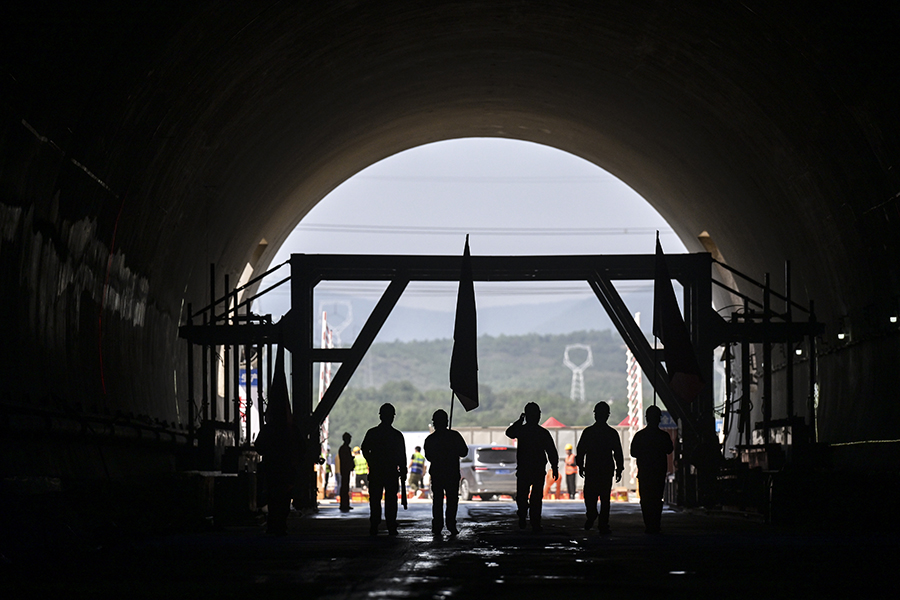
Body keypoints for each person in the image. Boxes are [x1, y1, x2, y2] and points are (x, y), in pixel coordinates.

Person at [505, 402, 558, 531]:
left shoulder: (522, 431)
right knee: (536, 497)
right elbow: (551, 451)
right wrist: (554, 467)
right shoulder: (542, 433)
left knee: (522, 495)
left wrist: (519, 420)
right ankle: (535, 522)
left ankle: (523, 515)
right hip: (538, 469)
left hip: (524, 469)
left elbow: (510, 432)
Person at [576, 401, 624, 534]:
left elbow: (581, 451)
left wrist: (580, 465)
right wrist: (619, 469)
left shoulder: (588, 432)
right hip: (606, 470)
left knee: (590, 496)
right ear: (607, 415)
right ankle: (603, 524)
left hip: (592, 469)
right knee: (604, 499)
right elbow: (618, 453)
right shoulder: (611, 433)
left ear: (595, 415)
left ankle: (592, 515)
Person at [361, 403, 407, 535]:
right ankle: (391, 524)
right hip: (391, 472)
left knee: (375, 499)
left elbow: (365, 449)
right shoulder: (397, 435)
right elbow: (401, 455)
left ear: (380, 416)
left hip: (376, 471)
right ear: (392, 417)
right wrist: (403, 470)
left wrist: (371, 461)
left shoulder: (372, 433)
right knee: (391, 499)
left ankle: (374, 525)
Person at [630, 405, 674, 534]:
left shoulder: (640, 436)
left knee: (646, 499)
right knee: (657, 499)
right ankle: (656, 523)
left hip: (644, 473)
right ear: (659, 419)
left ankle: (648, 524)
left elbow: (633, 453)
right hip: (659, 473)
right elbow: (669, 450)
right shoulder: (663, 436)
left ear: (647, 418)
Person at [423, 409, 468, 536]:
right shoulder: (455, 436)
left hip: (437, 473)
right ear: (447, 422)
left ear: (435, 423)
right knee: (452, 500)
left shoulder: (430, 439)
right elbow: (464, 452)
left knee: (437, 500)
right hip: (452, 473)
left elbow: (429, 457)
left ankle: (437, 525)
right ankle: (451, 524)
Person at [336, 432, 354, 512]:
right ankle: (344, 504)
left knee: (345, 487)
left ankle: (345, 504)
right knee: (344, 487)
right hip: (345, 470)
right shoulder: (345, 449)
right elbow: (346, 460)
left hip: (345, 469)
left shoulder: (343, 448)